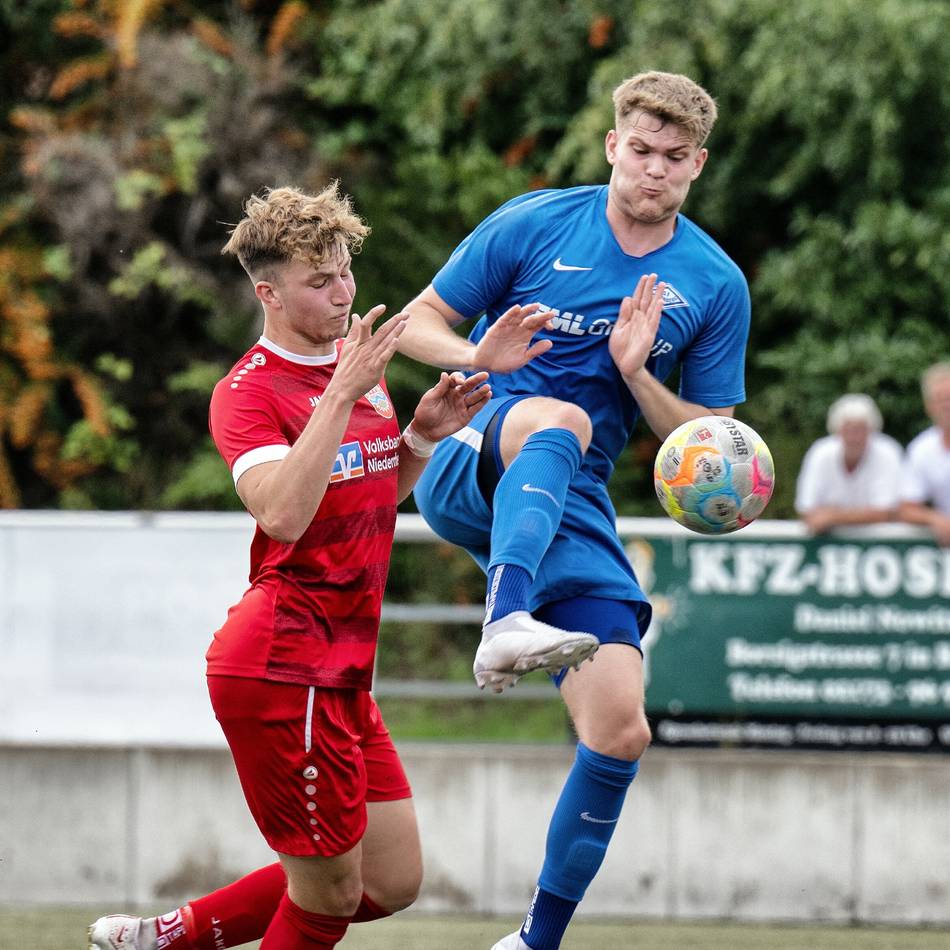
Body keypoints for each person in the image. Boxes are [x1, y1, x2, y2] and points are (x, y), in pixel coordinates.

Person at [397, 70, 750, 950]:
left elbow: (712, 447)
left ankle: (533, 941)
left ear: (697, 165)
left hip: (573, 499)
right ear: (611, 146)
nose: (653, 170)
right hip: (477, 456)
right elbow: (412, 325)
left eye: (675, 158)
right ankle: (505, 614)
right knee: (557, 418)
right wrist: (480, 353)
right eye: (640, 151)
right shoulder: (534, 222)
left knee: (622, 728)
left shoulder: (713, 283)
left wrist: (638, 374)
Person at [88, 183, 491, 950]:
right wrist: (340, 395)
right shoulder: (248, 393)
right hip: (281, 665)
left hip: (341, 670)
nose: (343, 293)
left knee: (390, 880)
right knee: (332, 897)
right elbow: (281, 513)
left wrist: (420, 440)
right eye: (320, 281)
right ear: (269, 294)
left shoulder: (355, 369)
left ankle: (171, 935)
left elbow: (365, 494)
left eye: (345, 272)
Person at [794, 393, 903, 534]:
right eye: (848, 429)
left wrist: (832, 516)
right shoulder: (820, 453)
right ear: (837, 430)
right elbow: (806, 510)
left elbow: (886, 512)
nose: (854, 437)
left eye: (860, 429)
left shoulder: (888, 452)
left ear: (871, 430)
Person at [899, 362, 950, 546]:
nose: (947, 406)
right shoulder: (921, 448)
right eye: (941, 399)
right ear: (929, 406)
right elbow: (907, 508)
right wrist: (935, 519)